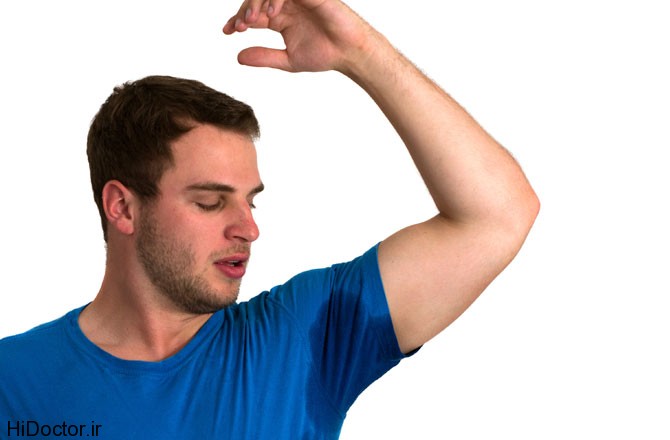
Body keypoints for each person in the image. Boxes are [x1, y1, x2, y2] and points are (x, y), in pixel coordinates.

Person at [0, 0, 539, 438]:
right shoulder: (14, 382)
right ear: (123, 207)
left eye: (250, 201)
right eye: (210, 202)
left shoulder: (302, 339)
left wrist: (359, 51)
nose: (248, 229)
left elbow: (497, 216)